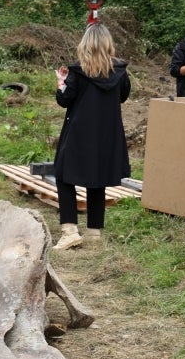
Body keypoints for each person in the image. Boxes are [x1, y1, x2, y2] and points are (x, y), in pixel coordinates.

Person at [52, 23, 130, 250]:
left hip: (78, 133)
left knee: (63, 174)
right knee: (97, 178)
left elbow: (64, 100)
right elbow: (122, 96)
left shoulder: (77, 73)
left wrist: (61, 83)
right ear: (108, 44)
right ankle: (94, 234)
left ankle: (69, 231)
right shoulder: (120, 73)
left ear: (86, 44)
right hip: (106, 134)